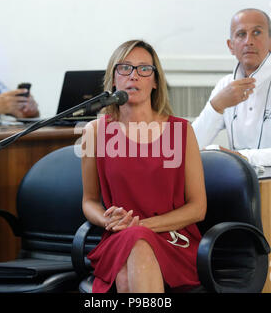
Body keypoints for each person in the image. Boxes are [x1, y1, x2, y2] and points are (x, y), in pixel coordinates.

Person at [81, 40, 207, 293]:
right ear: (113, 79)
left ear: (156, 81)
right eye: (125, 68)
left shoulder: (181, 131)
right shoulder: (94, 132)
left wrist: (140, 227)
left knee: (134, 246)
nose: (134, 76)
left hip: (173, 238)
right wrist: (108, 221)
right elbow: (89, 201)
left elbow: (197, 208)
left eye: (144, 69)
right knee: (133, 244)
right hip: (118, 235)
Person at [192, 8, 271, 166]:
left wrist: (241, 157)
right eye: (241, 34)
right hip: (237, 184)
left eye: (257, 32)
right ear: (231, 46)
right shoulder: (225, 85)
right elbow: (190, 146)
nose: (248, 41)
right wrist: (216, 106)